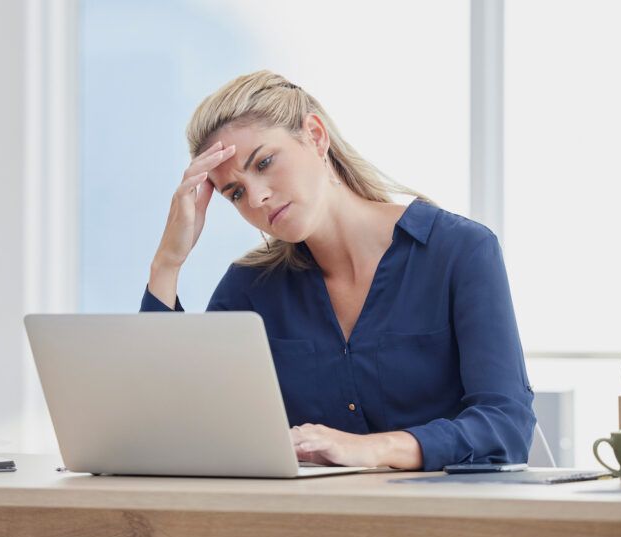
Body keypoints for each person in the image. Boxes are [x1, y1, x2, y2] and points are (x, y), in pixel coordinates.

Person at [140, 70, 535, 471]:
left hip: (442, 508)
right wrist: (167, 263)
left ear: (315, 136)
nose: (256, 198)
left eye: (264, 163)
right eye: (236, 193)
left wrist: (375, 449)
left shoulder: (459, 252)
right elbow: (172, 428)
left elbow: (506, 426)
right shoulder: (250, 287)